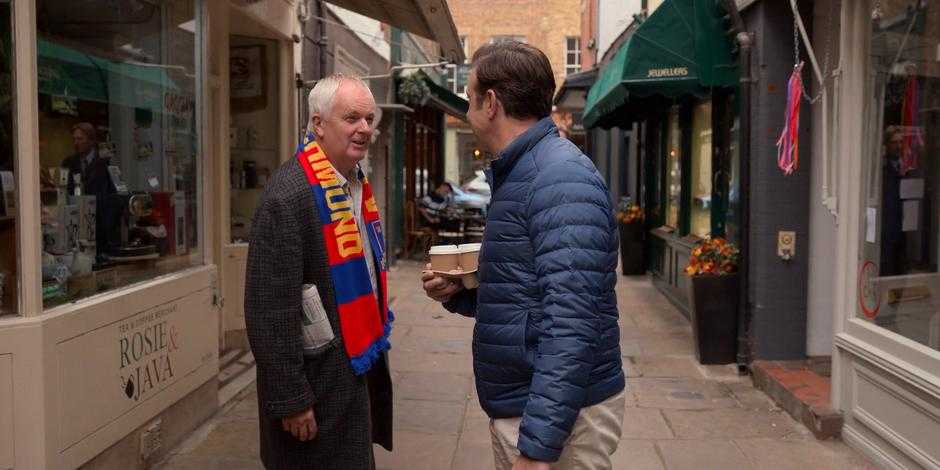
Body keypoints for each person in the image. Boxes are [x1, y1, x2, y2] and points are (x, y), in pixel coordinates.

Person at [421, 42, 625, 470]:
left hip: (555, 417)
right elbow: (526, 293)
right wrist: (458, 293)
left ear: (491, 103)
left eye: (470, 97)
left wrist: (538, 446)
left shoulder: (559, 178)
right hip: (530, 403)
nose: (466, 109)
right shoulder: (525, 171)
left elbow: (571, 322)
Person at [245, 74, 393, 470]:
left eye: (368, 118)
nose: (364, 128)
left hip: (350, 375)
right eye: (351, 118)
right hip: (315, 392)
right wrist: (291, 399)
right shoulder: (288, 197)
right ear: (317, 124)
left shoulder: (354, 183)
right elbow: (269, 311)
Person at [60, 122, 114, 258]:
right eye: (74, 139)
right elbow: (64, 188)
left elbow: (112, 192)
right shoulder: (68, 163)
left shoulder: (104, 163)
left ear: (91, 140)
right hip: (75, 219)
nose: (76, 143)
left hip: (99, 221)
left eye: (80, 139)